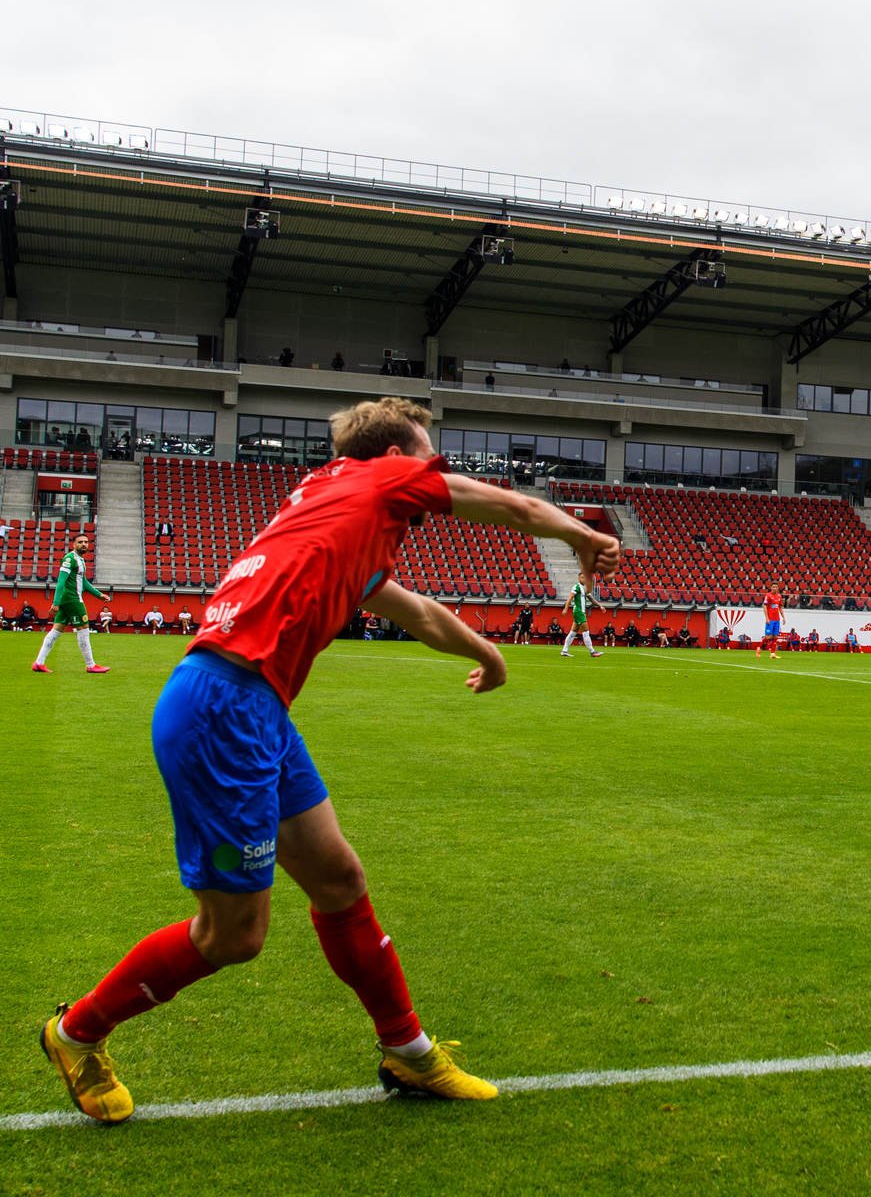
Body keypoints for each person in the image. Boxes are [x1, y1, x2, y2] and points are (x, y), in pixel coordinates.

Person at [39, 396, 619, 1124]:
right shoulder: (377, 480)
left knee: (339, 880)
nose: (435, 465)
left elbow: (419, 612)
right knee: (234, 937)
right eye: (428, 451)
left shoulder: (338, 517)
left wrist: (486, 651)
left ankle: (408, 1055)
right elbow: (514, 505)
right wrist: (580, 534)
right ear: (400, 457)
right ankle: (76, 1032)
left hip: (253, 710)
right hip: (224, 710)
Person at [31, 533, 113, 674]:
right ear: (73, 544)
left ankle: (39, 663)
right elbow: (61, 581)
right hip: (72, 599)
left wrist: (99, 594)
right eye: (80, 542)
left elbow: (84, 582)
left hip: (68, 599)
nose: (84, 544)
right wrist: (55, 602)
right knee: (84, 628)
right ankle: (91, 665)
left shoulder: (80, 560)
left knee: (56, 630)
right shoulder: (69, 559)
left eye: (86, 542)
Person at [559, 575, 607, 658]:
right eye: (582, 577)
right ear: (578, 578)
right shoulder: (576, 587)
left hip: (581, 612)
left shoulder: (585, 588)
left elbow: (591, 599)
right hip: (579, 611)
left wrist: (600, 606)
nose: (584, 579)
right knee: (586, 631)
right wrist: (565, 609)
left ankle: (564, 651)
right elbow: (570, 598)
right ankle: (592, 652)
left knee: (572, 633)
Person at [757, 584, 783, 659]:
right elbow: (764, 606)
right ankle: (759, 648)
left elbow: (780, 607)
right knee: (768, 636)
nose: (775, 588)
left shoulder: (779, 596)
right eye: (773, 587)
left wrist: (783, 617)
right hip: (770, 619)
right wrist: (767, 618)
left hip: (777, 619)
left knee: (775, 636)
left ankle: (772, 654)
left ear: (778, 588)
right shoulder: (768, 595)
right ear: (771, 588)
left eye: (776, 587)